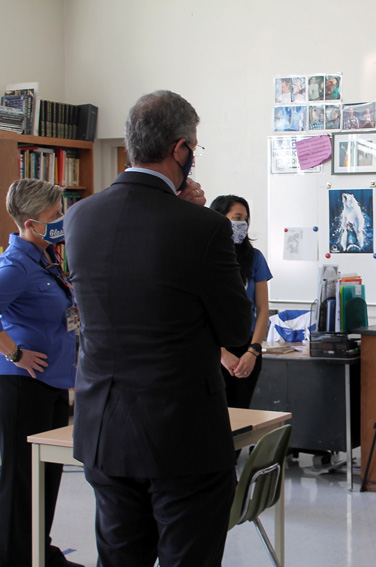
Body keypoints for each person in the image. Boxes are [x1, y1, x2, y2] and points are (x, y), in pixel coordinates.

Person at [64, 90, 253, 567]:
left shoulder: (79, 217)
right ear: (180, 149)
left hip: (103, 430)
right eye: (194, 148)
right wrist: (194, 215)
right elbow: (235, 328)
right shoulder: (204, 227)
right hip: (180, 435)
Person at [0, 179, 83, 567]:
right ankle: (16, 555)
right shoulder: (15, 265)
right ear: (30, 223)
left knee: (46, 477)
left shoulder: (46, 258)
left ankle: (39, 550)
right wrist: (15, 353)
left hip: (51, 384)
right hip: (22, 387)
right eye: (54, 216)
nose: (61, 221)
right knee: (20, 479)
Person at [209, 195, 272, 412]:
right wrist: (220, 353)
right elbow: (197, 311)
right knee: (216, 418)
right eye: (237, 218)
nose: (242, 224)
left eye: (245, 219)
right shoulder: (205, 256)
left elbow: (263, 309)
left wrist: (253, 350)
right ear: (219, 219)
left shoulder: (254, 257)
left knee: (241, 416)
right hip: (214, 349)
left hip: (248, 348)